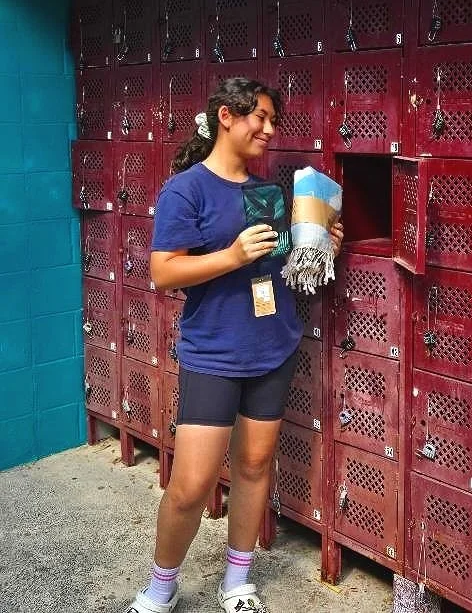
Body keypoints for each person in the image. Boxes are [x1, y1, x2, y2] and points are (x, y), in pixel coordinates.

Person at [127, 77, 343, 613]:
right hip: (213, 354)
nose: (269, 131)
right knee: (193, 483)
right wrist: (232, 254)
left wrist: (319, 245)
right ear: (227, 116)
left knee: (254, 465)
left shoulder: (267, 191)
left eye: (273, 121)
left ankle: (236, 580)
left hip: (273, 344)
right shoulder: (187, 189)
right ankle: (160, 586)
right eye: (260, 119)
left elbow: (281, 267)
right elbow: (162, 271)